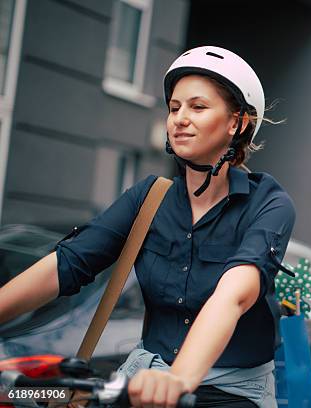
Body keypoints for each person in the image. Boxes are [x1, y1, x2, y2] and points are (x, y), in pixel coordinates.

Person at [0, 46, 296, 408]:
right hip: (144, 382)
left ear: (236, 123)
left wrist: (178, 379)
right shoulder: (148, 197)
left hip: (231, 394)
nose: (180, 119)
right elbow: (67, 264)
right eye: (174, 107)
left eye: (198, 107)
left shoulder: (268, 203)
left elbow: (233, 295)